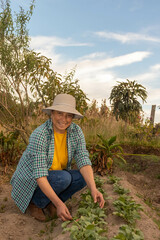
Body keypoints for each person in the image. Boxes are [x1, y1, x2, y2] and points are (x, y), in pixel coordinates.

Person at [11, 93, 105, 222]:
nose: (64, 119)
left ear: (72, 117)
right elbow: (40, 175)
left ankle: (50, 202)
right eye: (59, 113)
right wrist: (59, 204)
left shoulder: (76, 131)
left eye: (68, 115)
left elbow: (83, 160)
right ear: (52, 113)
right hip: (32, 180)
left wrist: (94, 189)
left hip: (54, 176)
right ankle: (35, 203)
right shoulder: (40, 135)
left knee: (82, 177)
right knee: (63, 178)